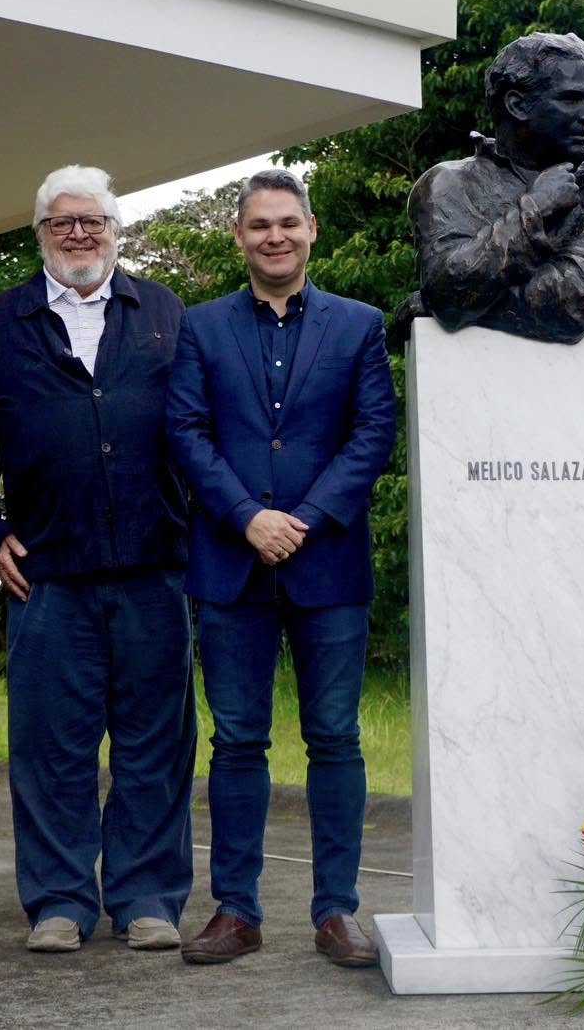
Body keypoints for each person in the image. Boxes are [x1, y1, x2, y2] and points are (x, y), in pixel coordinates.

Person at [0, 165, 196, 954]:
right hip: (48, 578)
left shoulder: (163, 312)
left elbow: (201, 433)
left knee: (155, 746)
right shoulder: (0, 325)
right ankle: (58, 901)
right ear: (41, 235)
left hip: (155, 571)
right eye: (63, 223)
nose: (79, 235)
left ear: (116, 232)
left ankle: (147, 897)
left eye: (93, 222)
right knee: (52, 749)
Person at [167, 169, 398, 968]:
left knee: (334, 737)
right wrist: (247, 518)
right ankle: (237, 911)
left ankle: (336, 911)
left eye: (287, 224)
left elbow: (373, 435)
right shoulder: (200, 327)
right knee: (236, 742)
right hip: (230, 566)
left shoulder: (359, 325)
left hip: (327, 563)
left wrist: (301, 520)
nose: (274, 236)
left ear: (310, 231)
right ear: (239, 236)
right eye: (259, 224)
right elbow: (185, 432)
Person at [406, 31, 584, 344]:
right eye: (572, 99)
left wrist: (444, 304)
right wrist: (537, 209)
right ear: (517, 105)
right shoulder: (446, 184)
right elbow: (449, 288)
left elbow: (572, 306)